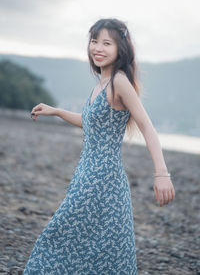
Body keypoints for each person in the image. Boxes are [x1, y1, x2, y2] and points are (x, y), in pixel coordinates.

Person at [23, 18, 175, 274]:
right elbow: (93, 124)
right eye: (94, 41)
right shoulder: (101, 84)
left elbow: (148, 127)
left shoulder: (120, 82)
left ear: (120, 49)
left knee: (64, 236)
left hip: (103, 180)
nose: (98, 48)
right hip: (87, 175)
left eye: (107, 43)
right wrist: (58, 111)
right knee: (94, 245)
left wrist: (162, 173)